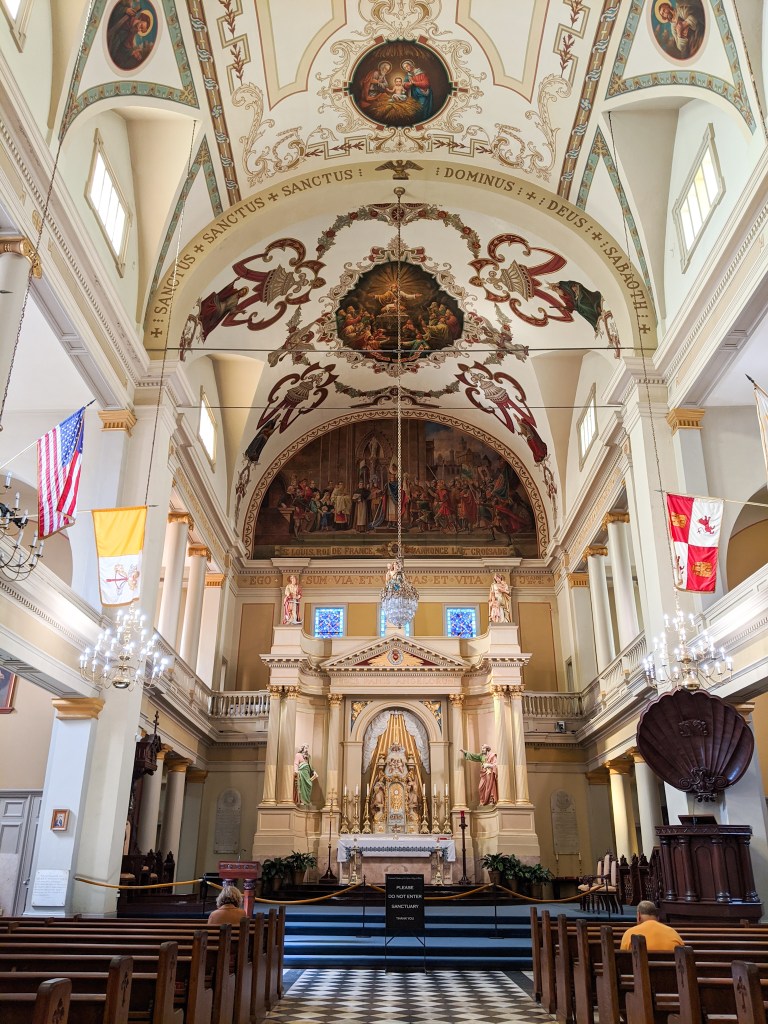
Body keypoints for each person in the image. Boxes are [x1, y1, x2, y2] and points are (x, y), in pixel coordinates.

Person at [620, 900, 684, 951]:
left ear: (638, 916)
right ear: (657, 917)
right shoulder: (673, 933)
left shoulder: (630, 933)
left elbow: (623, 958)